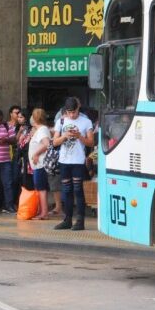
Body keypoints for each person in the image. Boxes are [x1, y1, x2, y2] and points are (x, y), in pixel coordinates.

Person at [52, 97, 94, 230]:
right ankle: (67, 219)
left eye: (74, 112)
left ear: (78, 109)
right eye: (69, 112)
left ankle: (80, 220)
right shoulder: (61, 121)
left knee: (78, 190)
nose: (72, 115)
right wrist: (64, 136)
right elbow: (54, 142)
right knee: (67, 190)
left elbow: (91, 142)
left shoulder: (86, 122)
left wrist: (79, 137)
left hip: (78, 161)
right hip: (64, 160)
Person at [28, 108, 51, 220]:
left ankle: (44, 213)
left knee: (41, 189)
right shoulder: (40, 129)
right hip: (38, 165)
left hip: (40, 164)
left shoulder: (42, 130)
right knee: (41, 188)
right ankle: (43, 211)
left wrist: (36, 154)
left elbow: (46, 144)